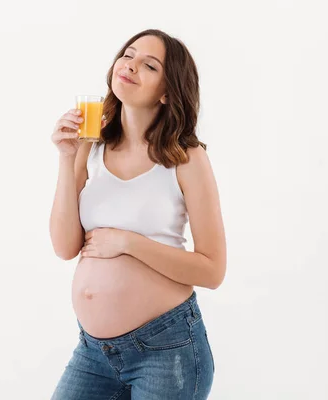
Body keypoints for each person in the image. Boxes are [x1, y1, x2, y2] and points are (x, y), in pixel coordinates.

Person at [49, 28, 226, 400]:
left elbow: (213, 270)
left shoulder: (186, 158)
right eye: (127, 55)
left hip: (167, 352)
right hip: (93, 354)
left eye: (148, 65)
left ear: (166, 91)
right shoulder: (91, 144)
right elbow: (65, 247)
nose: (129, 66)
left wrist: (129, 243)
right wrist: (67, 158)